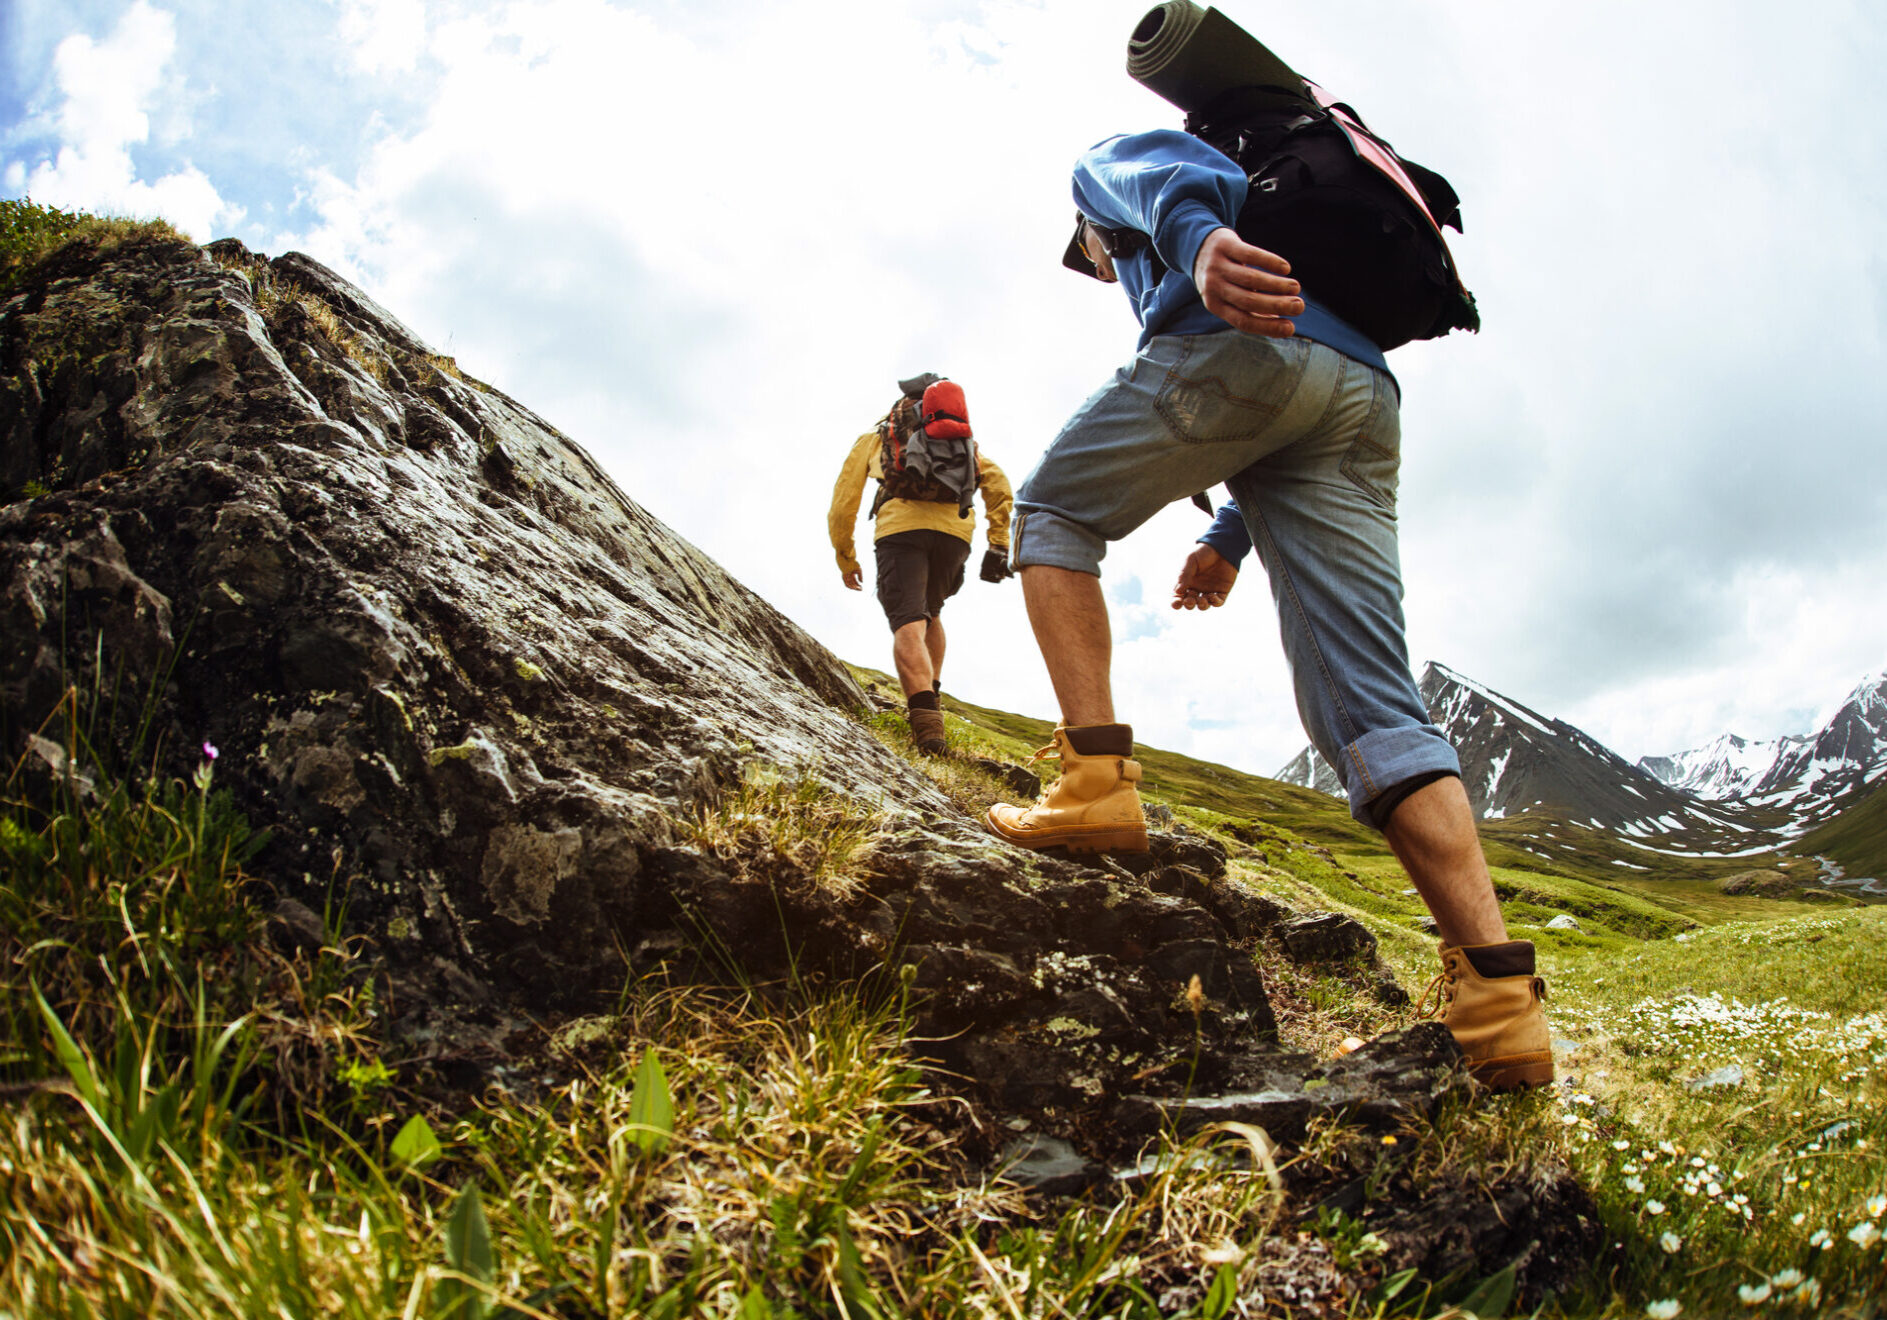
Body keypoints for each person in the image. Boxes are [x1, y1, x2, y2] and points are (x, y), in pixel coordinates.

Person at [981, 128, 1552, 1089]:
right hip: (1362, 393)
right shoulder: (1314, 249)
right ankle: (1499, 1008)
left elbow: (1162, 173)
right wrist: (1226, 539)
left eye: (1085, 258)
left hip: (1240, 348)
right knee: (1374, 709)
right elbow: (1288, 414)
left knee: (1050, 515)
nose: (1091, 264)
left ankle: (1091, 788)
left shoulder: (1107, 184)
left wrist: (1198, 247)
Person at [829, 374, 1014, 755]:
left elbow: (844, 500)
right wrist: (998, 542)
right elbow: (998, 485)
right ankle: (932, 701)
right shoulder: (963, 443)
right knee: (931, 613)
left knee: (908, 621)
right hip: (954, 535)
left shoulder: (879, 437)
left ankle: (927, 730)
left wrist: (845, 555)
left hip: (901, 531)